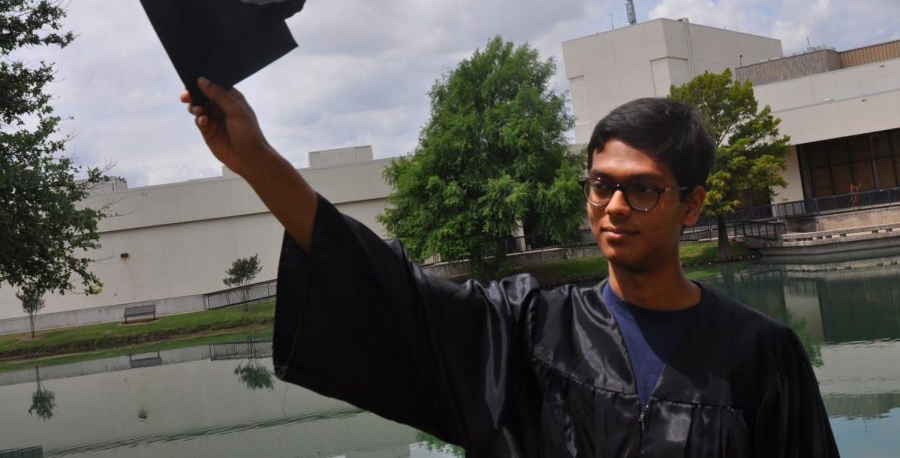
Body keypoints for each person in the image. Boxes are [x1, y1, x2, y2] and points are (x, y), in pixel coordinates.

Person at [183, 78, 839, 457]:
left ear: (691, 204)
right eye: (600, 185)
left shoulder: (762, 355)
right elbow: (389, 292)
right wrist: (259, 162)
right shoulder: (528, 332)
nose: (614, 207)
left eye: (642, 189)